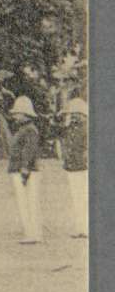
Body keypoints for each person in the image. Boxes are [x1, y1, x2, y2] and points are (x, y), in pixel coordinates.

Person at [7, 95, 44, 244]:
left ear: (25, 114)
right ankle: (30, 232)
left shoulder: (29, 130)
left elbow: (29, 151)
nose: (15, 116)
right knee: (24, 202)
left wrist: (25, 168)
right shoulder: (24, 129)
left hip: (25, 170)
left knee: (28, 202)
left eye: (17, 113)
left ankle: (33, 233)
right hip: (20, 169)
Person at [61, 96, 87, 239]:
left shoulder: (87, 128)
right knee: (76, 198)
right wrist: (57, 119)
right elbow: (53, 133)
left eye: (78, 113)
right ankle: (80, 227)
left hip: (84, 167)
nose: (75, 116)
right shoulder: (69, 128)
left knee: (85, 197)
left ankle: (86, 227)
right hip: (72, 167)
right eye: (73, 114)